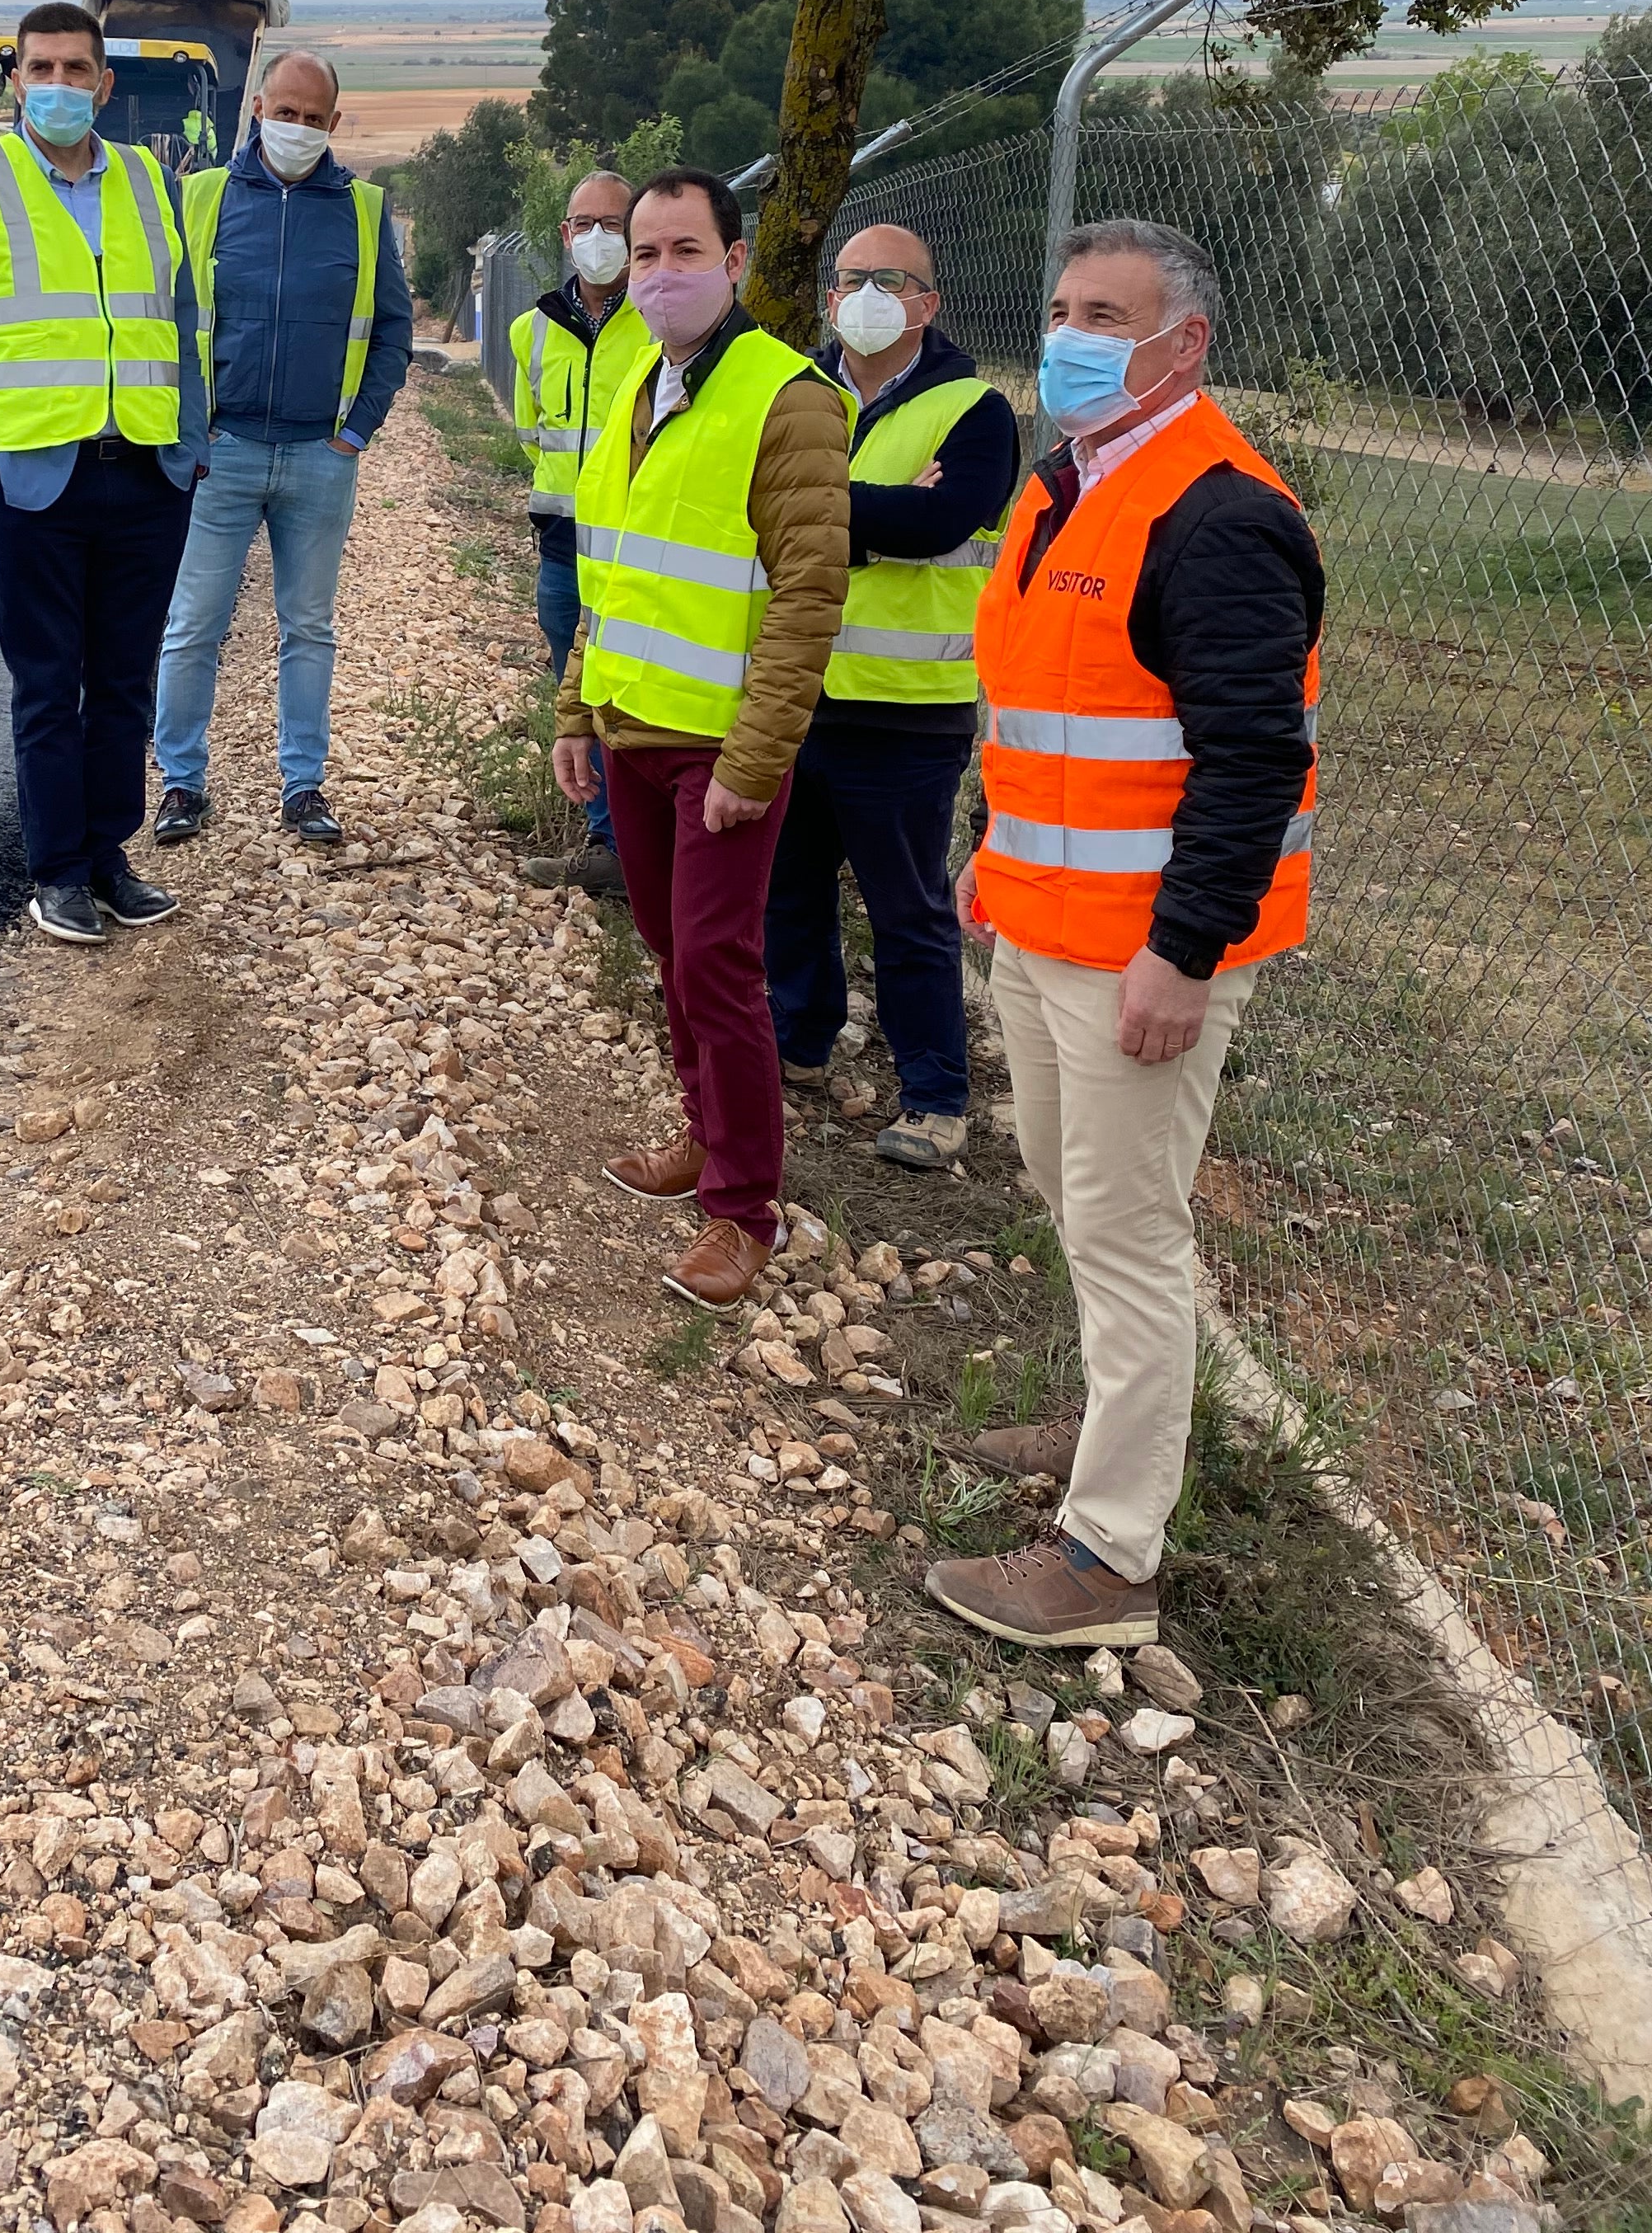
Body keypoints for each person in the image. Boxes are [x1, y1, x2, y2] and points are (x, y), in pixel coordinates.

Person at [924, 217, 1323, 1648]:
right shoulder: (1061, 488)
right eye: (1062, 305)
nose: (1072, 332)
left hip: (1140, 954)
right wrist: (988, 856)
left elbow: (1250, 762)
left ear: (1184, 343)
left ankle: (1107, 1557)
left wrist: (1181, 951)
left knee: (1127, 1226)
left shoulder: (1220, 517)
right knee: (1064, 1188)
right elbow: (1040, 719)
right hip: (1037, 925)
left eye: (1108, 311)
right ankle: (1112, 1424)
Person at [550, 168, 850, 1309]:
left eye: (686, 251)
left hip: (721, 747)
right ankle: (702, 1132)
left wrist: (754, 757)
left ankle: (743, 1209)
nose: (661, 275)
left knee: (720, 970)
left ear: (735, 262)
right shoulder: (632, 379)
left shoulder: (791, 399)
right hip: (631, 729)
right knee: (675, 955)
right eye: (644, 254)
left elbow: (809, 595)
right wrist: (579, 708)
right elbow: (609, 574)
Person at [0, 2, 206, 947]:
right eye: (42, 69)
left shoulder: (151, 183)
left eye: (79, 70)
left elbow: (184, 328)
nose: (61, 87)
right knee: (48, 684)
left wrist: (189, 447)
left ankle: (109, 857)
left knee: (123, 683)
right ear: (16, 81)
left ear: (105, 85)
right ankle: (58, 875)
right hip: (37, 480)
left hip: (148, 476)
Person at [765, 223, 1019, 1168]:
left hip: (907, 712)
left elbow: (945, 520)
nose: (864, 295)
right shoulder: (797, 391)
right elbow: (755, 509)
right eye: (849, 279)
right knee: (788, 892)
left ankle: (936, 1097)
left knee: (906, 910)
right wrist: (877, 510)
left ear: (927, 303)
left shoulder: (976, 410)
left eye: (888, 279)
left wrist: (826, 509)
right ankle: (799, 1044)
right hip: (794, 689)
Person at [149, 49, 414, 851]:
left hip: (317, 458)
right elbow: (164, 322)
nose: (295, 128)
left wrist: (356, 430)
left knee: (309, 627)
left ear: (333, 124)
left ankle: (303, 787)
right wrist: (188, 435)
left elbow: (394, 332)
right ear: (257, 108)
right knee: (193, 624)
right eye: (283, 112)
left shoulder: (364, 212)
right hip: (220, 452)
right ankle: (182, 784)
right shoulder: (203, 198)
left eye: (311, 118)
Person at [510, 172, 645, 896]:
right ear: (564, 235)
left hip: (642, 545)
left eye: (613, 223)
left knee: (630, 695)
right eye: (582, 224)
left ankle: (638, 849)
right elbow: (536, 437)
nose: (597, 238)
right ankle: (605, 844)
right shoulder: (530, 329)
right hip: (564, 546)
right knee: (577, 687)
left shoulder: (660, 322)